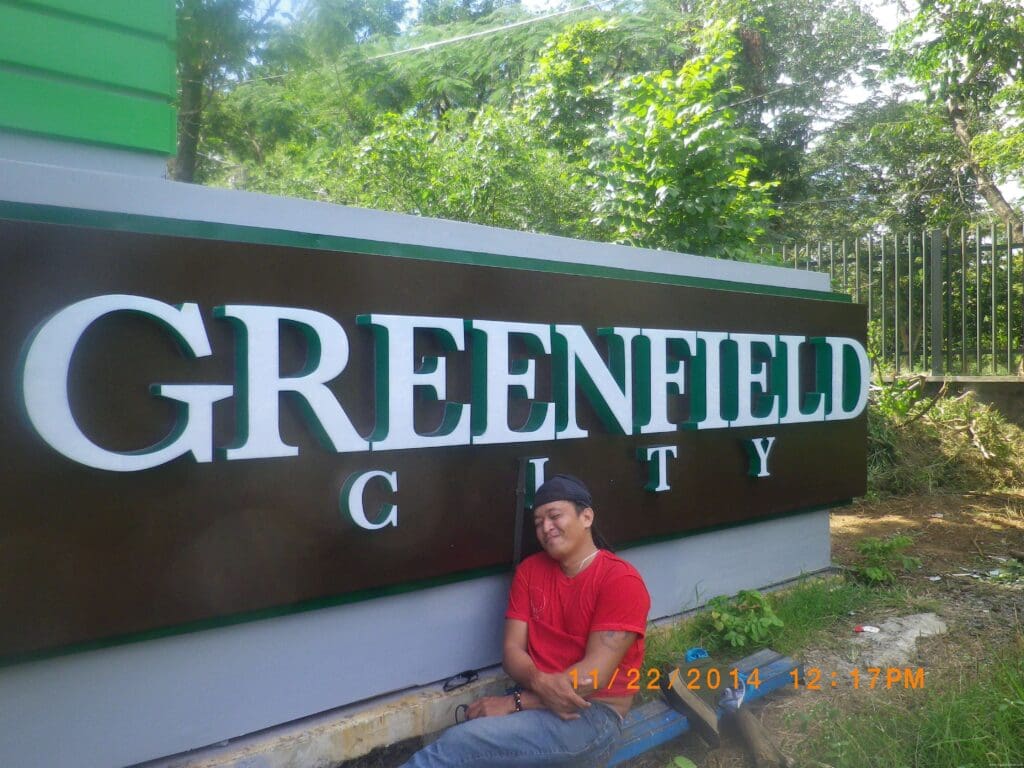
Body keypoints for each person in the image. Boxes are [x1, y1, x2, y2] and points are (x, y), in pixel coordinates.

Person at [399, 474, 652, 768]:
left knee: (460, 744)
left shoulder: (620, 580)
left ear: (586, 517)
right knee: (469, 737)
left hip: (592, 715)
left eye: (555, 516)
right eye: (538, 522)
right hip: (535, 700)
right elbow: (512, 651)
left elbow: (592, 676)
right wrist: (535, 685)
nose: (546, 528)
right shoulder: (530, 571)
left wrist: (515, 703)